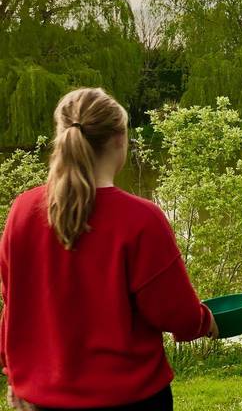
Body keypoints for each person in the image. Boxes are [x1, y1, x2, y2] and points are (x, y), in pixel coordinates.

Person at [0, 88, 218, 410]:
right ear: (120, 140)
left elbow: (14, 302)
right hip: (129, 399)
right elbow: (176, 313)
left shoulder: (23, 210)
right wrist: (205, 321)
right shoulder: (141, 220)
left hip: (40, 399)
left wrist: (13, 370)